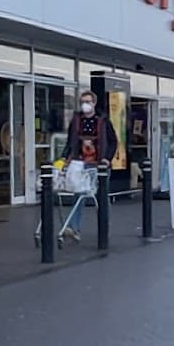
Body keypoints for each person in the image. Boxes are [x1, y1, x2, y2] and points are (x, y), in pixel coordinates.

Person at [62, 90, 117, 241]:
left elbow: (113, 141)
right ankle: (74, 228)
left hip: (98, 164)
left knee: (101, 196)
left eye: (88, 101)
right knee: (78, 195)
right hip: (80, 163)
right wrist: (63, 159)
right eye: (82, 102)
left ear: (94, 103)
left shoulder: (103, 121)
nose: (85, 105)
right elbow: (70, 142)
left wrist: (107, 158)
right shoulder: (76, 120)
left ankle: (104, 226)